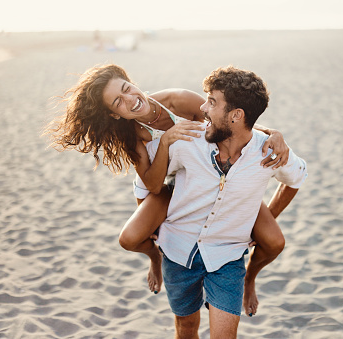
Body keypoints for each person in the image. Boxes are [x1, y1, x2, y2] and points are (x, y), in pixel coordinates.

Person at [45, 64, 289, 316]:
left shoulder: (177, 100)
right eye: (118, 102)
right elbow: (152, 184)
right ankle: (156, 258)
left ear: (132, 82)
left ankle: (249, 279)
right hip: (166, 185)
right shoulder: (129, 134)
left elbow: (229, 122)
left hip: (210, 177)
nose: (130, 99)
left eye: (127, 89)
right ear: (114, 114)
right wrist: (165, 142)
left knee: (273, 242)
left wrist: (273, 133)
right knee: (129, 239)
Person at [142, 65, 307, 338]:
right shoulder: (188, 140)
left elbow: (296, 178)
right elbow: (146, 178)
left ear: (236, 115)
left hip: (228, 258)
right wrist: (148, 218)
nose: (203, 108)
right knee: (186, 328)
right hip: (177, 252)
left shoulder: (268, 151)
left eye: (212, 102)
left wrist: (264, 218)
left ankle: (248, 281)